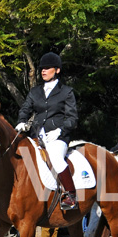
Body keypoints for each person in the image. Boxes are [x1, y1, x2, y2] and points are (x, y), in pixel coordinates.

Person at [15, 51, 79, 210]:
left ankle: (70, 195)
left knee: (56, 158)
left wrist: (60, 130)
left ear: (57, 70)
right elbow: (25, 109)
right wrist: (22, 121)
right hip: (36, 135)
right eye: (42, 68)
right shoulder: (34, 92)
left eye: (47, 68)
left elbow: (72, 118)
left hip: (58, 137)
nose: (43, 70)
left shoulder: (66, 92)